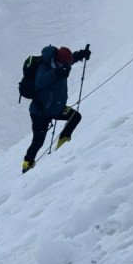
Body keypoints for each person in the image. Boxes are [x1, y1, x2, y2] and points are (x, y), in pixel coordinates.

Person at [22, 44, 90, 173]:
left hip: (56, 109)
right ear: (57, 61)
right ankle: (27, 165)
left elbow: (72, 59)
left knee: (75, 116)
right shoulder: (44, 66)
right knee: (38, 142)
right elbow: (40, 82)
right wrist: (57, 72)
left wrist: (81, 54)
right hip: (40, 113)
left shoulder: (62, 64)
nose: (67, 67)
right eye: (64, 65)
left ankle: (63, 143)